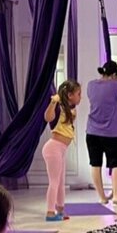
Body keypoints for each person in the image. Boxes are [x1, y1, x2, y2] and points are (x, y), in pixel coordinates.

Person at [85, 61, 117, 208]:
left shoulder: (91, 85)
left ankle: (102, 197)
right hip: (111, 133)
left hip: (92, 132)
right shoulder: (115, 85)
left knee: (95, 163)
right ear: (114, 75)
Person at [42, 80, 82, 222]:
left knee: (60, 181)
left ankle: (59, 209)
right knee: (54, 181)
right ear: (70, 95)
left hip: (61, 150)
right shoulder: (58, 108)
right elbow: (48, 117)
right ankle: (50, 212)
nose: (80, 97)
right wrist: (53, 102)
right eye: (78, 94)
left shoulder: (70, 110)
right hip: (53, 148)